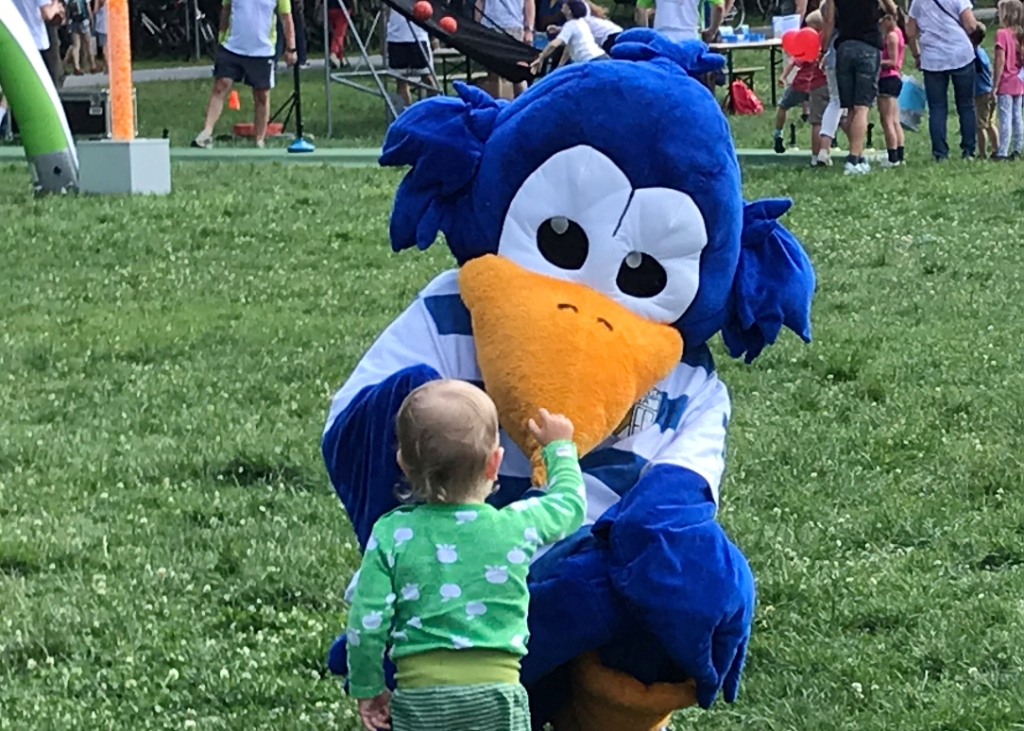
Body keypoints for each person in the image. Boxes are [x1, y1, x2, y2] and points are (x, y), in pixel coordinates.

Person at [345, 381, 587, 731]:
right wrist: (560, 448)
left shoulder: (392, 534)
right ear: (495, 463)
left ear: (403, 463)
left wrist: (368, 687)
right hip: (497, 696)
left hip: (421, 700)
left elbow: (366, 622)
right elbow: (570, 506)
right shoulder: (515, 526)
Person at [192, 0, 297, 150]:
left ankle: (259, 139)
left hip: (262, 50)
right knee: (221, 85)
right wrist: (221, 35)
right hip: (232, 46)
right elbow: (226, 9)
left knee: (261, 95)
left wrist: (291, 47)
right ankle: (206, 132)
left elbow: (286, 18)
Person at [819, 0, 897, 175]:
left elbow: (829, 19)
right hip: (868, 46)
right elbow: (892, 9)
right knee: (862, 107)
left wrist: (823, 50)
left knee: (850, 107)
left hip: (844, 47)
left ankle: (858, 154)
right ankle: (853, 159)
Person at [906, 0, 979, 160]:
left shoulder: (917, 2)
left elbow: (910, 32)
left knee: (937, 108)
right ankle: (968, 150)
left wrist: (916, 54)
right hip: (960, 54)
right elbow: (971, 25)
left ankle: (940, 152)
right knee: (966, 105)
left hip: (932, 59)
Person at [773, 10, 828, 159]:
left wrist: (783, 76)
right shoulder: (824, 44)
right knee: (821, 117)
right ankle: (828, 143)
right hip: (817, 85)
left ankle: (778, 132)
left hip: (800, 84)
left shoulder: (808, 42)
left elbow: (794, 61)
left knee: (783, 106)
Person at [530, 0, 607, 74]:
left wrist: (541, 57)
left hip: (591, 60)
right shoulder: (581, 22)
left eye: (565, 5)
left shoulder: (570, 25)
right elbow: (568, 48)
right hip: (601, 57)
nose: (563, 5)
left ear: (569, 11)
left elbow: (554, 44)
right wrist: (560, 66)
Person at [477, 0, 535, 96]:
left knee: (517, 73)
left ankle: (523, 101)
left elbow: (529, 2)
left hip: (513, 27)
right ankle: (500, 103)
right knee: (494, 73)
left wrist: (529, 29)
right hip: (489, 27)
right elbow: (480, 2)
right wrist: (477, 26)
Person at [385, 6, 436, 109]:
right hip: (396, 37)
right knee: (401, 80)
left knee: (428, 78)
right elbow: (386, 10)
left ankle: (436, 110)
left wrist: (434, 36)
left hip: (419, 36)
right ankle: (407, 113)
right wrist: (383, 39)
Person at [991, 0, 1024, 159]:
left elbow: (1000, 60)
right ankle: (1018, 148)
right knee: (1017, 116)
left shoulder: (1001, 34)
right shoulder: (1020, 34)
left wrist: (995, 85)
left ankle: (1002, 151)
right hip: (1019, 79)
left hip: (1006, 81)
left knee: (1005, 117)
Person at [877, 8, 905, 166]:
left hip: (887, 77)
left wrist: (876, 62)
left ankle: (892, 156)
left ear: (889, 19)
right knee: (894, 119)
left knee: (886, 120)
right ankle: (900, 154)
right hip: (894, 78)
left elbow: (892, 61)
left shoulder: (891, 36)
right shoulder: (898, 33)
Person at [634, 0, 724, 43]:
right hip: (691, 40)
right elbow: (719, 8)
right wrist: (712, 31)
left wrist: (647, 35)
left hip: (661, 40)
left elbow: (640, 9)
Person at [974, 23, 999, 158]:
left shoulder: (973, 54)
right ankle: (996, 150)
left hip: (980, 93)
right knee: (990, 123)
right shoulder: (982, 51)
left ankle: (982, 153)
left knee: (981, 125)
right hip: (989, 89)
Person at [64, 0, 97, 75]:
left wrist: (67, 23)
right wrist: (91, 20)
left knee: (76, 46)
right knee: (88, 44)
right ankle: (92, 66)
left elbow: (66, 10)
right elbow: (88, 8)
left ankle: (77, 67)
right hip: (84, 21)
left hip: (73, 22)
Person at [326, 0, 354, 67]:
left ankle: (341, 57)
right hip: (343, 6)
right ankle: (334, 53)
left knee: (336, 33)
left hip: (330, 7)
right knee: (340, 33)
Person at [92, 0, 107, 74]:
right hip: (111, 23)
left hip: (102, 26)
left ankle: (107, 65)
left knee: (104, 47)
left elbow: (95, 10)